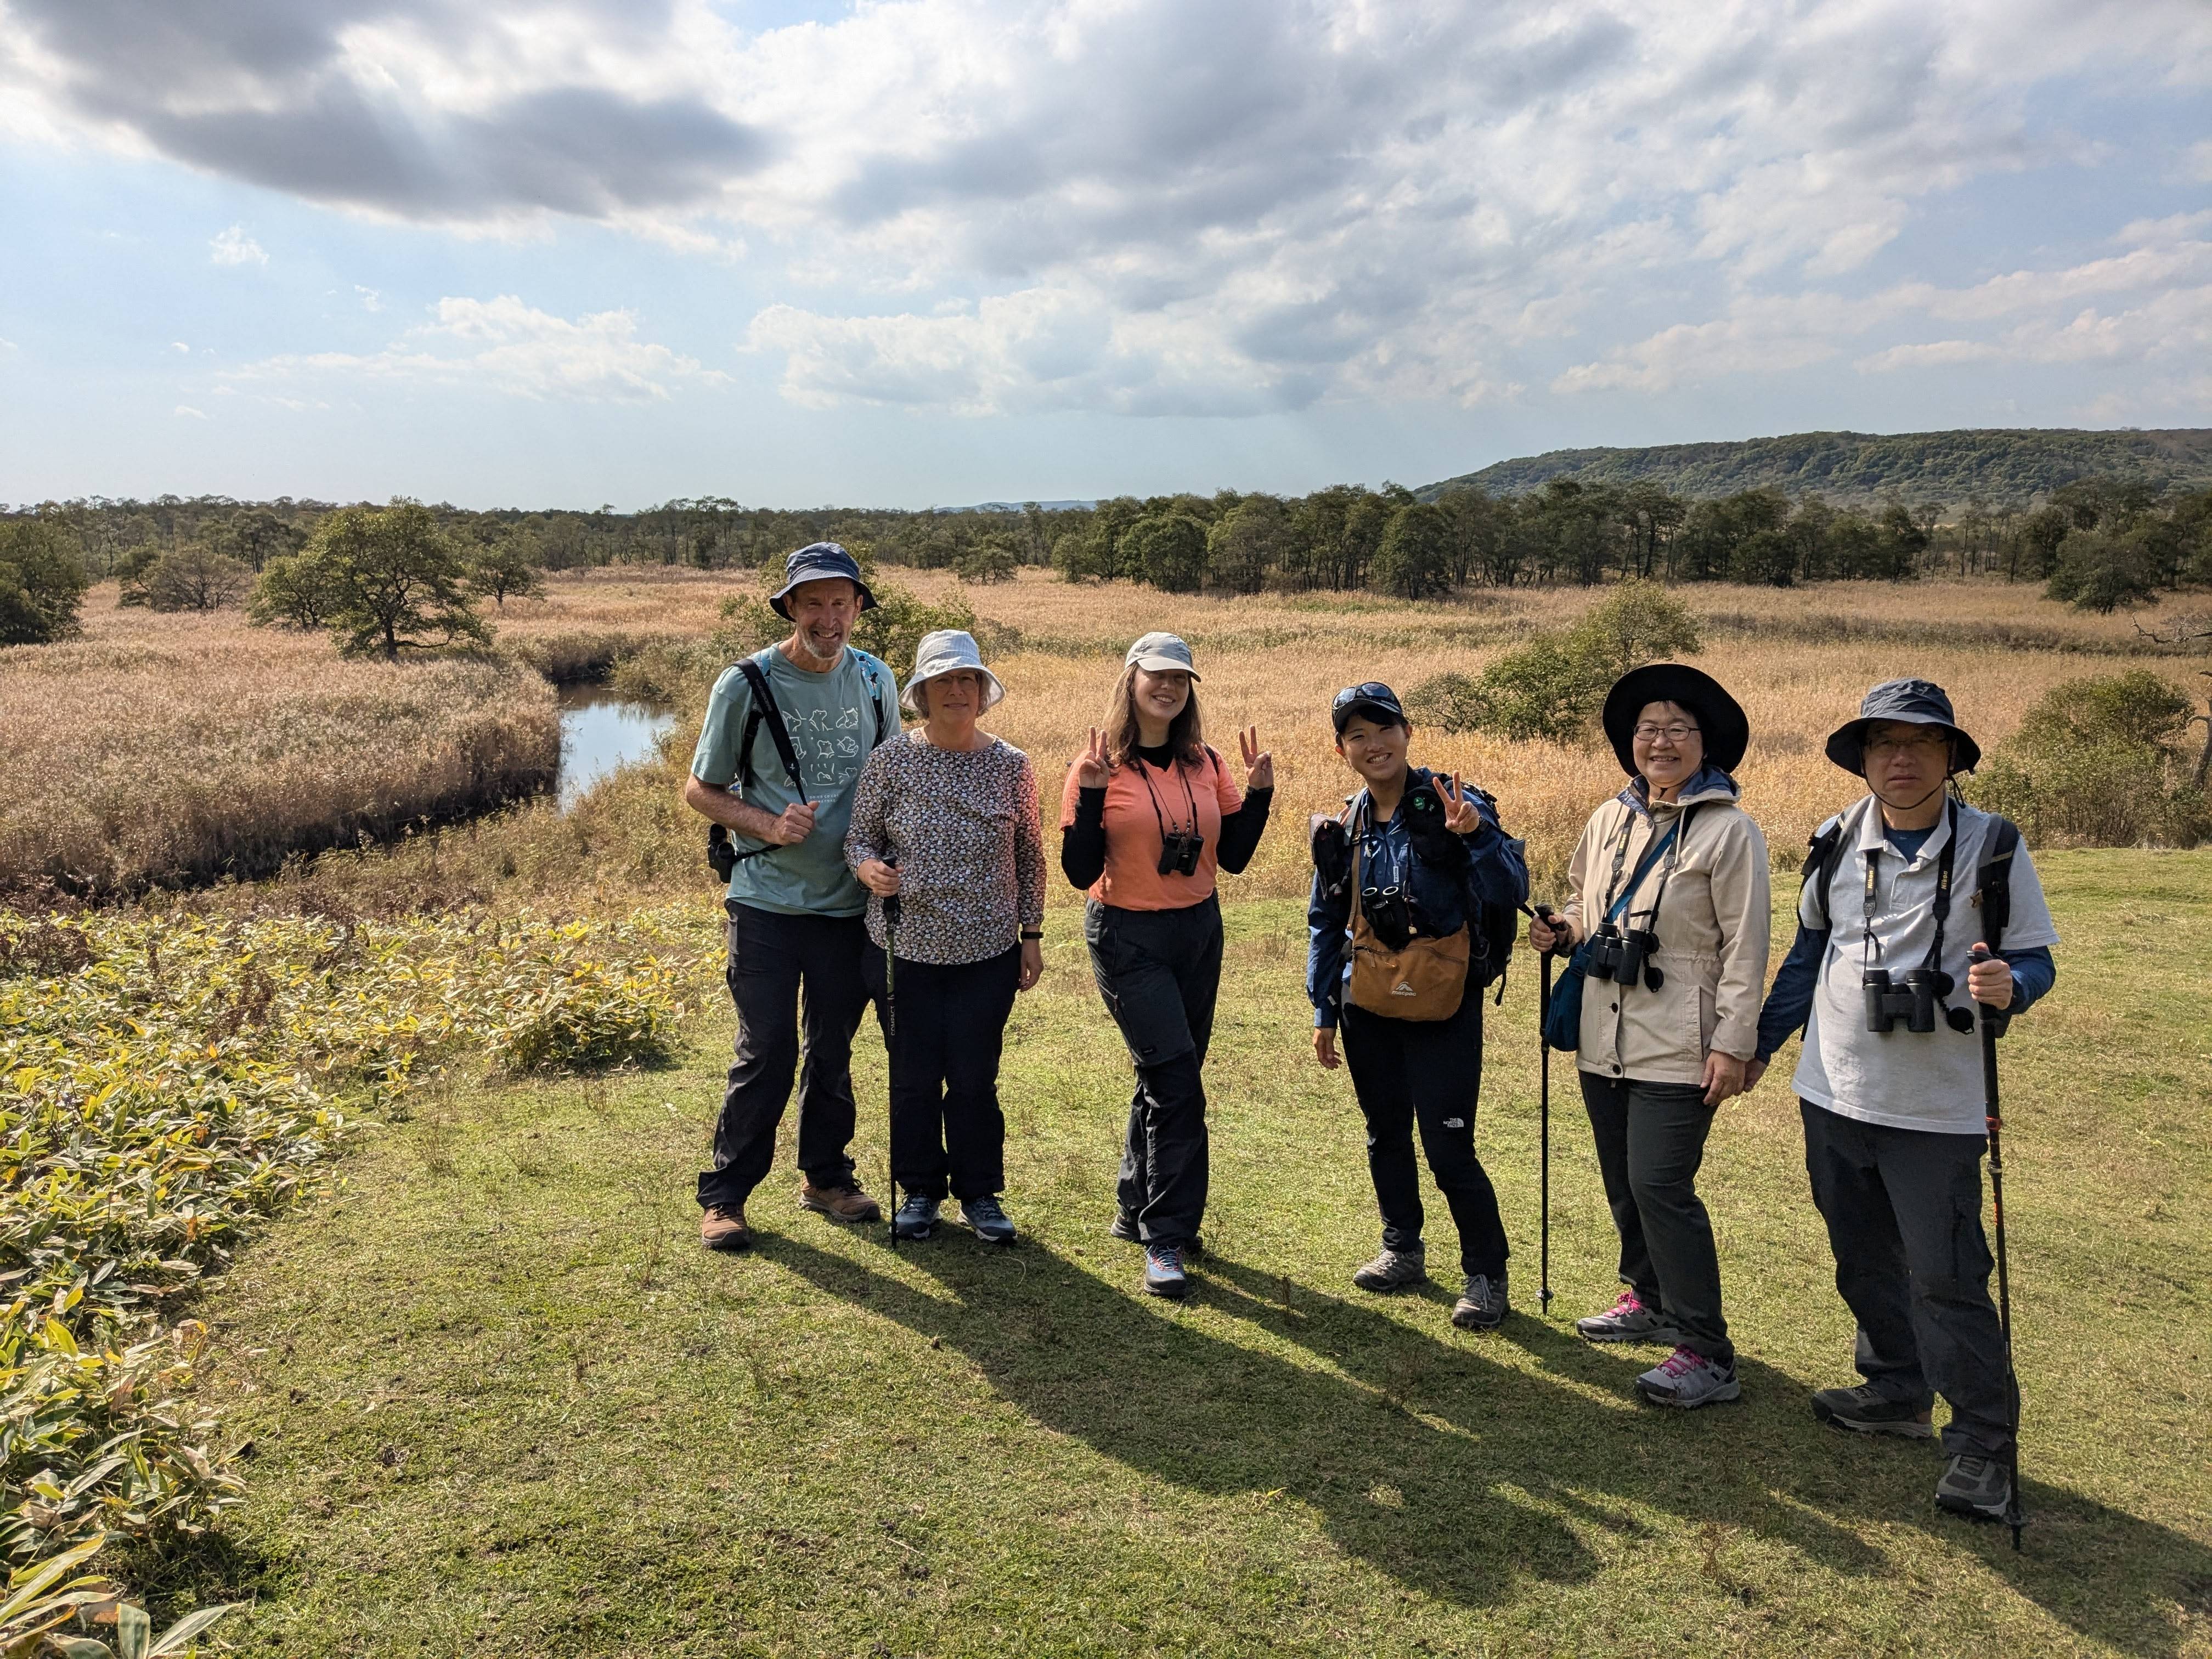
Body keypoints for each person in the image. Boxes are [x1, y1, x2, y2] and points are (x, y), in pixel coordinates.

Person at [1749, 678, 2057, 1523]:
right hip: (1834, 1090)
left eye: (1921, 744)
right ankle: (1894, 1390)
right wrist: (1759, 1047)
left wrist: (2011, 985)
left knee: (1949, 1279)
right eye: (1885, 744)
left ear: (1952, 757)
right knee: (1862, 1256)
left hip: (1938, 1108)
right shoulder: (1835, 839)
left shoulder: (1994, 846)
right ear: (1864, 759)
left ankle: (1984, 1449)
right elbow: (1810, 955)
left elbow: (2036, 960)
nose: (1902, 759)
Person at [1526, 664, 1770, 1409]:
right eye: (1647, 729)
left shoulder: (1732, 832)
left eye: (1678, 729)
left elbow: (1745, 947)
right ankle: (1648, 1297)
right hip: (1604, 1033)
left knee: (1661, 1183)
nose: (1660, 742)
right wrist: (1563, 929)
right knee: (1623, 1179)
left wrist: (1734, 1043)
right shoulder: (1610, 819)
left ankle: (1707, 1351)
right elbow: (1583, 898)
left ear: (1706, 744)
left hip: (1681, 1040)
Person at [682, 543, 902, 1250]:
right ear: (788, 608)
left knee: (832, 1049)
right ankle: (726, 1196)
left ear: (859, 608)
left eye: (842, 603)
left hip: (848, 905)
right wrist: (768, 824)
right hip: (767, 901)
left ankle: (826, 1177)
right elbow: (701, 789)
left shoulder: (876, 679)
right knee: (767, 1050)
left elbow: (896, 778)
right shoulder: (744, 683)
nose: (828, 618)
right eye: (813, 603)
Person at [1307, 682, 1530, 1330]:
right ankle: (1402, 1247)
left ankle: (1486, 1275)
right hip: (1367, 1001)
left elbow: (1512, 890)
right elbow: (1326, 919)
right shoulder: (1345, 823)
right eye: (1357, 735)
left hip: (1444, 1003)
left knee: (1449, 1145)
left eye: (1383, 730)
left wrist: (1478, 836)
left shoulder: (1454, 805)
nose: (1372, 745)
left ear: (1408, 733)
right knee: (1385, 1135)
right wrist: (1323, 1008)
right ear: (1342, 748)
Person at [1060, 632, 1273, 1299]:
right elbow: (1077, 872)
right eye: (1158, 676)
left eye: (1181, 680)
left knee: (1166, 1073)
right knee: (1177, 1083)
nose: (1170, 688)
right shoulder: (1098, 766)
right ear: (1131, 681)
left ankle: (1134, 1205)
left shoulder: (1206, 761)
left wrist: (1261, 795)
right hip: (1127, 936)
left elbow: (1233, 857)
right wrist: (1092, 797)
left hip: (1197, 931)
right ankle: (1169, 1236)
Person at [845, 630, 1046, 1245]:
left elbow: (1030, 855)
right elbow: (859, 837)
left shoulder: (1012, 766)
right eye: (943, 682)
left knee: (974, 1077)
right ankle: (920, 1191)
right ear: (922, 695)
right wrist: (867, 868)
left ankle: (980, 1194)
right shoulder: (892, 760)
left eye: (968, 681)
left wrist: (1031, 934)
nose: (957, 691)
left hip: (988, 952)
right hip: (904, 949)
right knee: (911, 1075)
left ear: (983, 694)